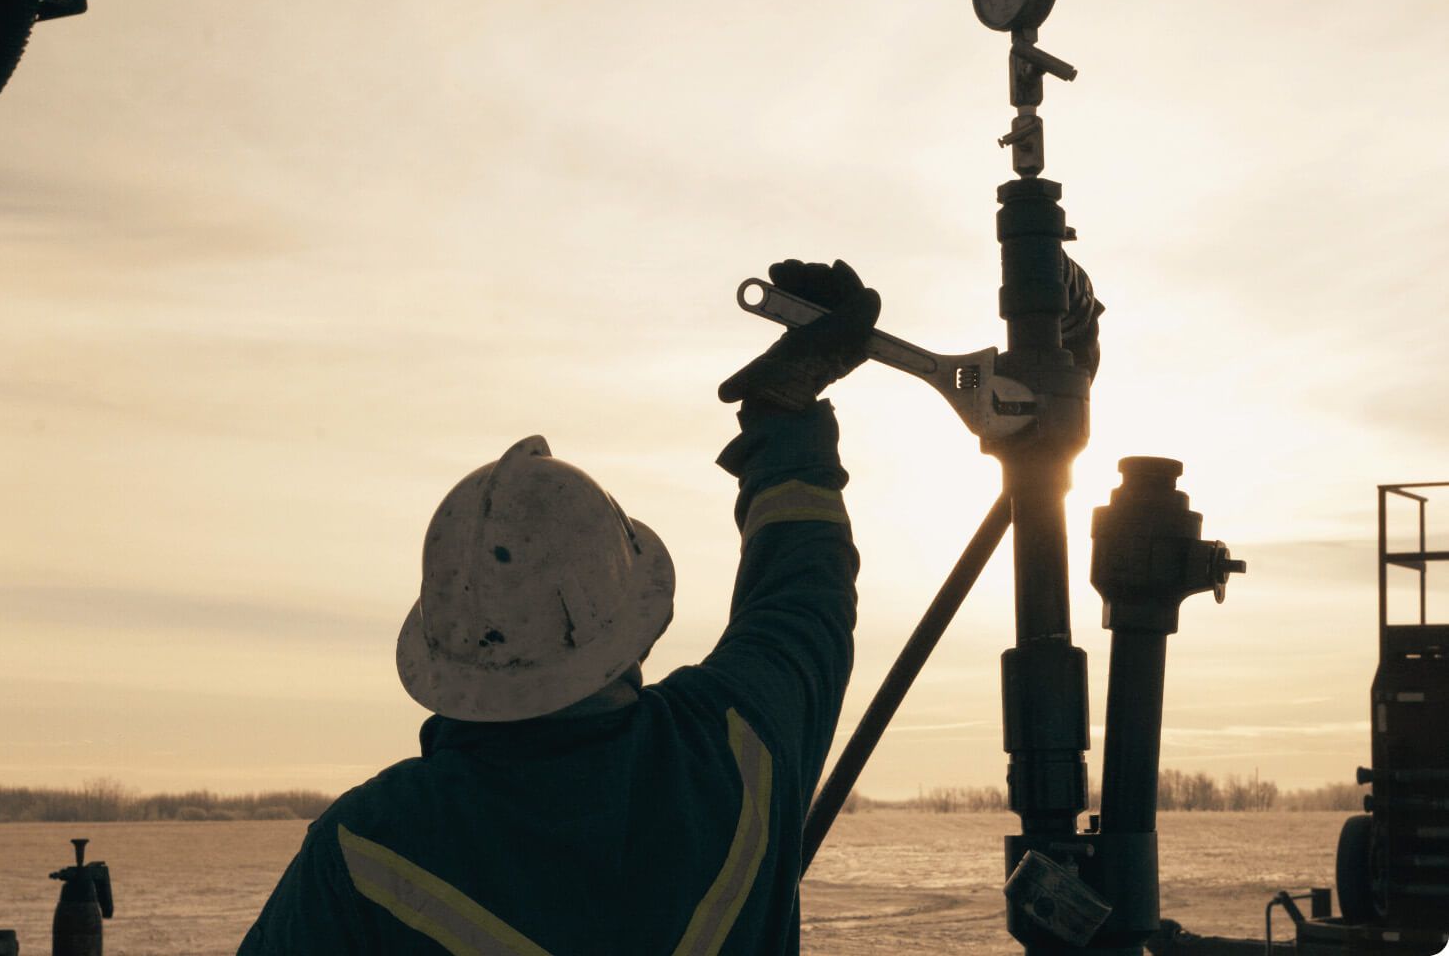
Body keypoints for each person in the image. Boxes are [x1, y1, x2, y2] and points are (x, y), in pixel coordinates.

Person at [237, 257, 1099, 955]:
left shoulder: (362, 855)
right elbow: (802, 591)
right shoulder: (734, 751)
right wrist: (783, 414)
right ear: (627, 631)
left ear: (443, 656)